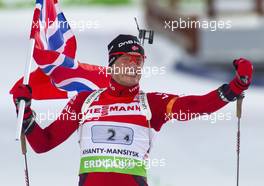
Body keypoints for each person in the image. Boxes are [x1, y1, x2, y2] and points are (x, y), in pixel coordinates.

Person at [12, 34, 253, 186]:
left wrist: (234, 87)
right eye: (126, 59)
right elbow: (43, 143)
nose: (133, 65)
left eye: (138, 61)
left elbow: (195, 105)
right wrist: (26, 114)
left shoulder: (152, 103)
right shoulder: (84, 101)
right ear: (112, 64)